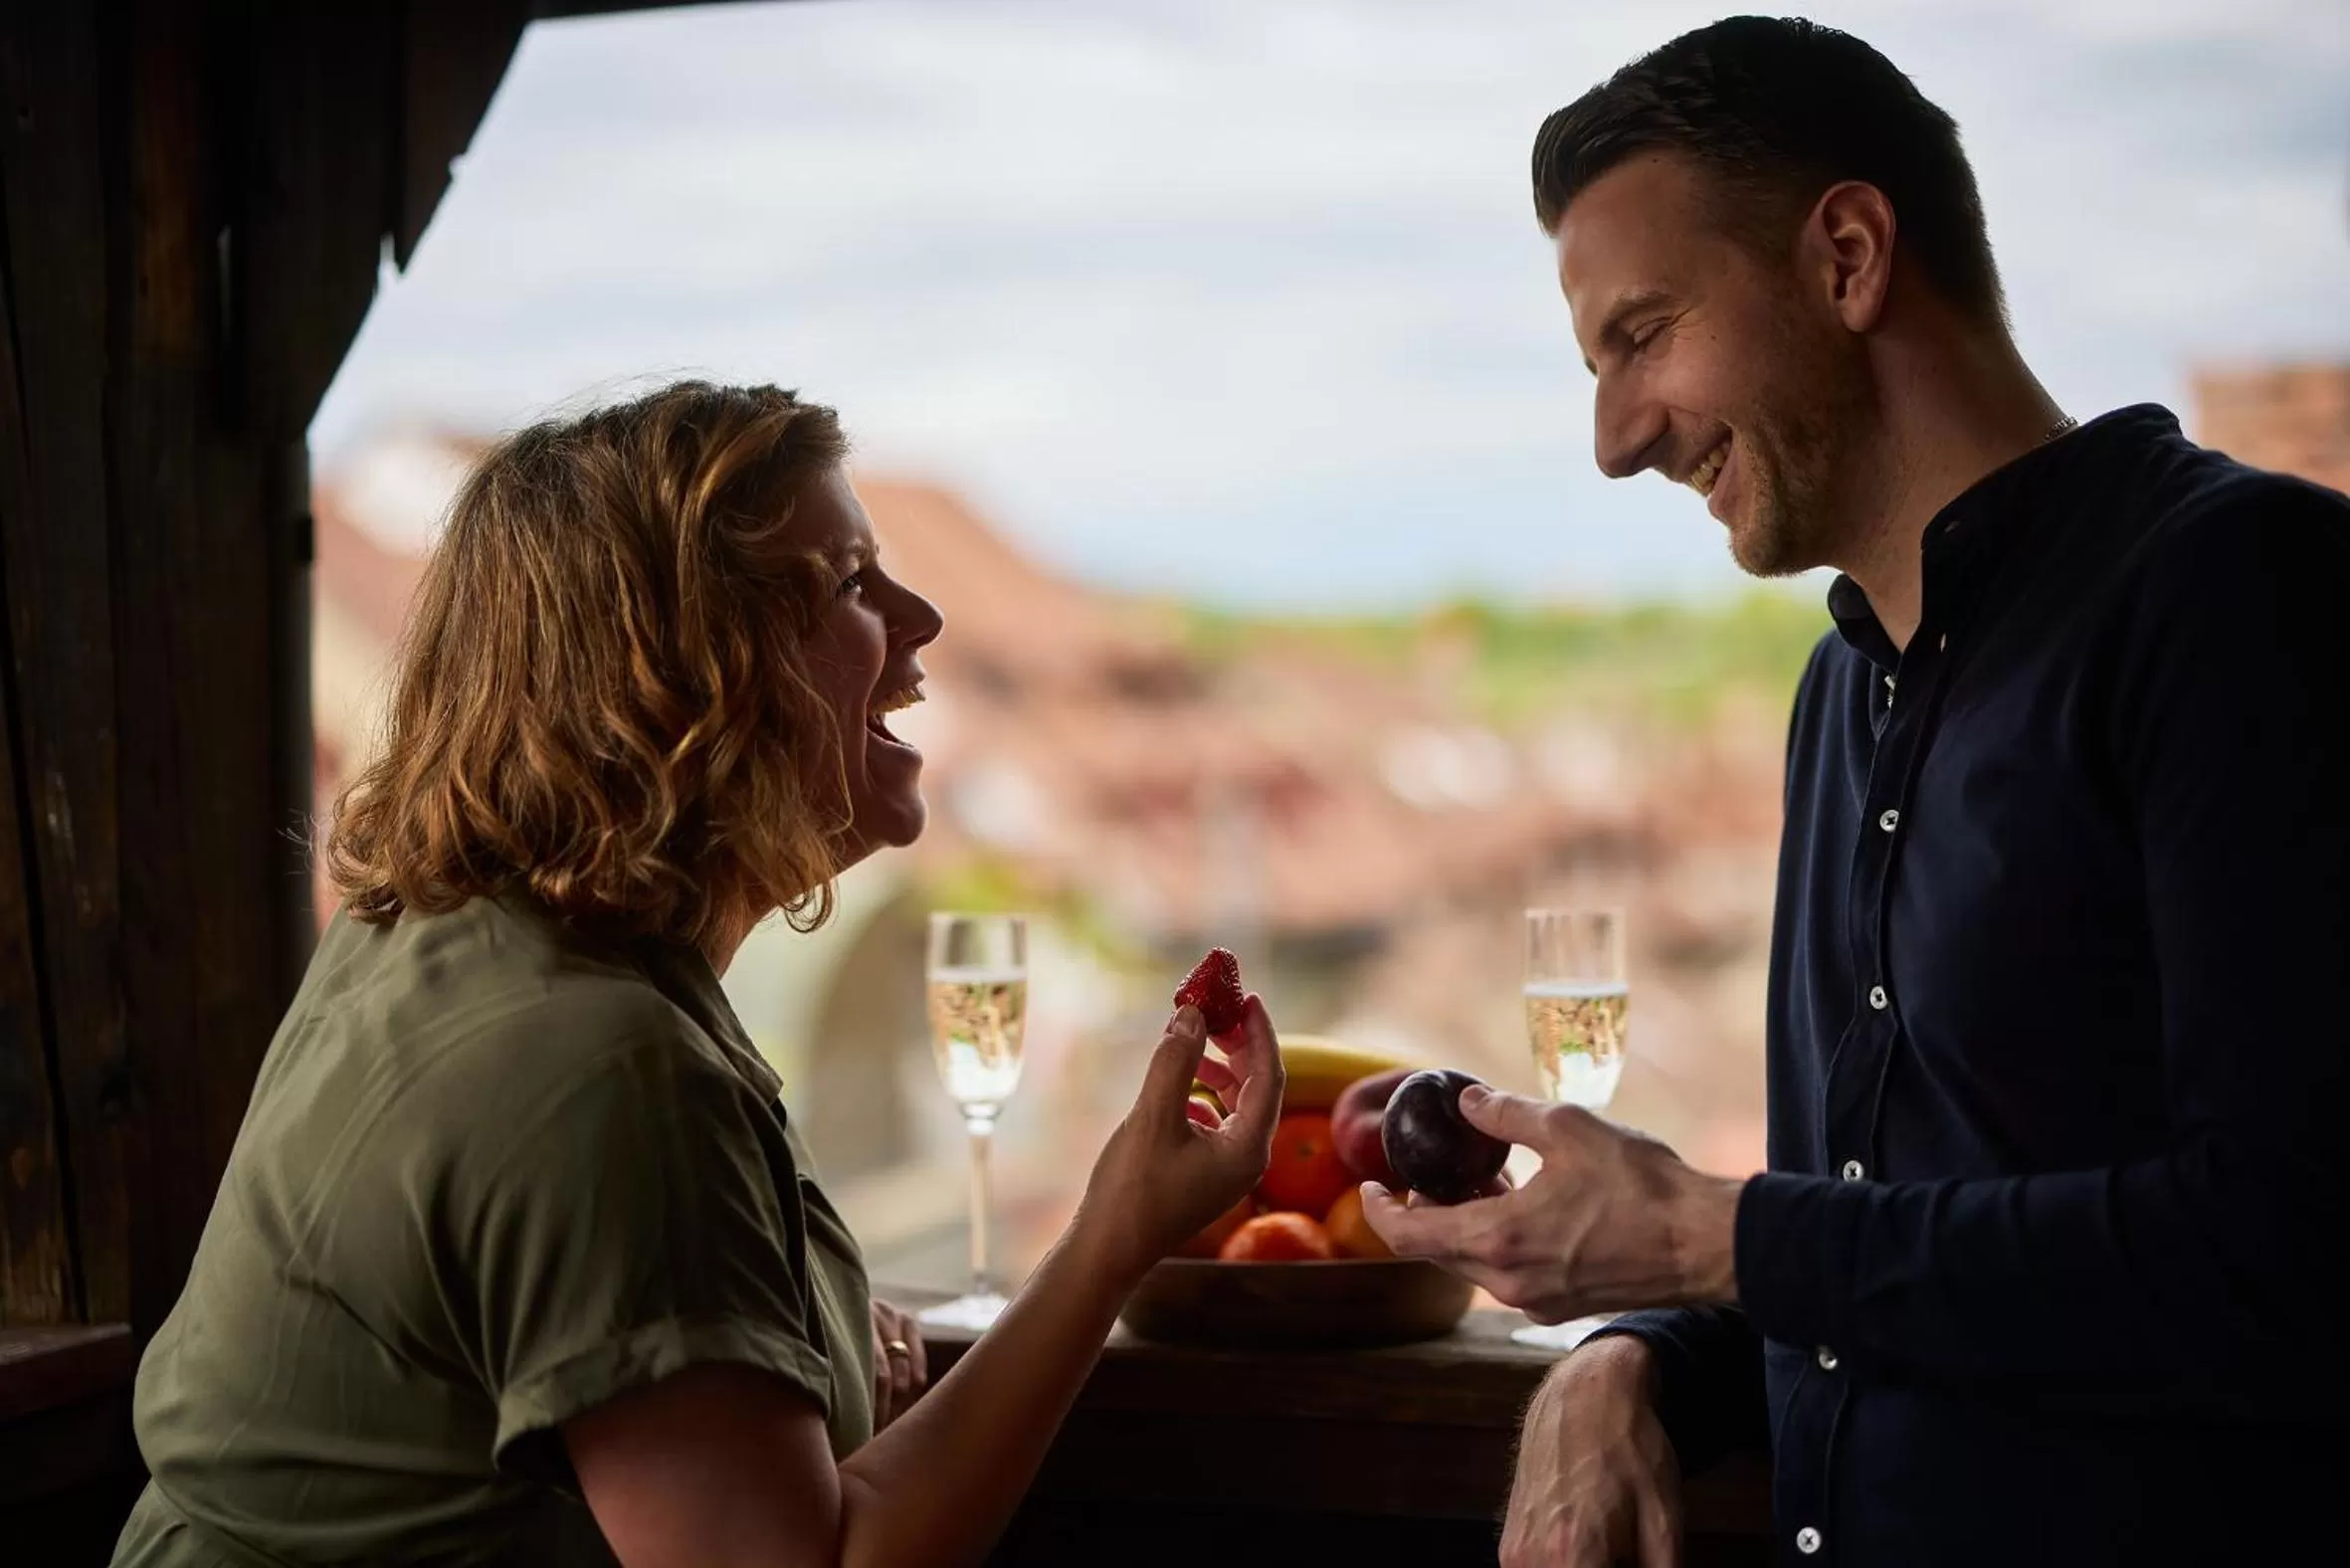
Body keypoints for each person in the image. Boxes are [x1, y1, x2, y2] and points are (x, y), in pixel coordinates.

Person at [1363, 17, 2348, 1568]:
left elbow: (2294, 1252)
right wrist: (1637, 1357)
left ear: (1843, 256)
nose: (1616, 439)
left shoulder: (2240, 593)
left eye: (1642, 336)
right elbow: (1891, 1253)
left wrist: (1701, 1238)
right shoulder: (1843, 692)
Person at [110, 380, 1285, 1568]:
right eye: (846, 583)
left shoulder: (445, 934)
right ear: (683, 674)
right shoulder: (600, 1068)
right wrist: (1110, 1238)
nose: (922, 618)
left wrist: (796, 1350)